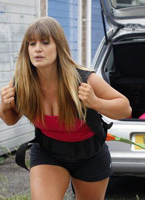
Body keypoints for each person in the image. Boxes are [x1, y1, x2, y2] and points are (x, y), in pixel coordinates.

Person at [0, 17, 131, 200]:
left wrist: (95, 102)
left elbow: (125, 109)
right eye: (32, 43)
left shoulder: (83, 79)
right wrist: (4, 107)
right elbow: (11, 119)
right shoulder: (22, 82)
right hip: (48, 152)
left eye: (45, 42)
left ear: (59, 47)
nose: (37, 48)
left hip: (90, 155)